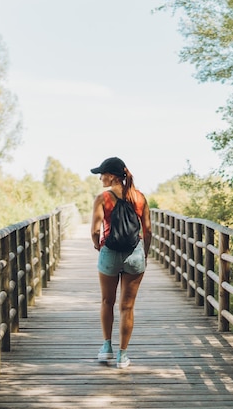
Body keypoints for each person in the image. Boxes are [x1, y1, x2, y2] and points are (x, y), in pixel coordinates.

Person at [90, 156, 152, 368]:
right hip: (134, 254)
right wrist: (145, 253)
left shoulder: (103, 198)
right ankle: (122, 355)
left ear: (112, 176)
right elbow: (148, 229)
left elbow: (95, 231)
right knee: (128, 306)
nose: (100, 178)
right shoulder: (140, 198)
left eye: (102, 174)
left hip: (110, 252)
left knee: (107, 301)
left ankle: (106, 347)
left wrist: (99, 247)